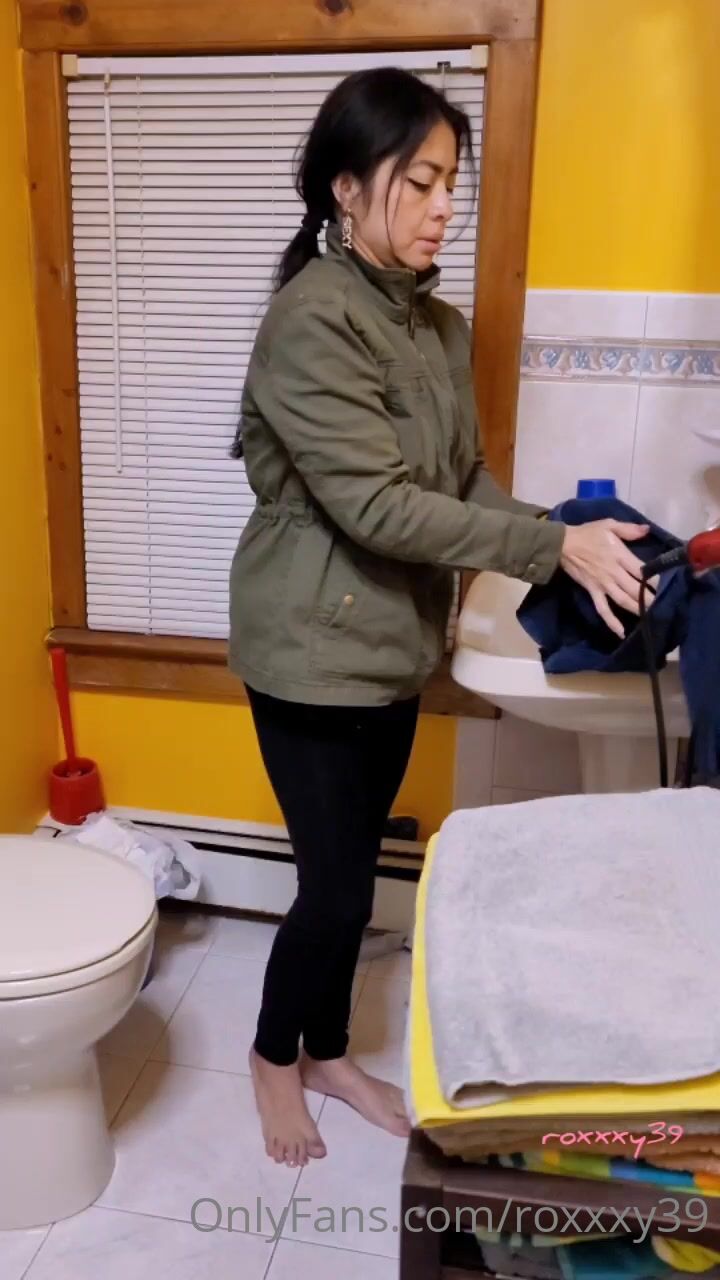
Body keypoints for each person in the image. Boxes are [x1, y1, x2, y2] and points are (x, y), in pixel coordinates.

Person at [228, 67, 649, 1169]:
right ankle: (274, 1059)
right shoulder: (311, 321)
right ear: (347, 188)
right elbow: (374, 504)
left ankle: (328, 1052)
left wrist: (565, 535)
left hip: (392, 644)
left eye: (450, 183)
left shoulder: (439, 326)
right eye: (418, 182)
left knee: (354, 877)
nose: (443, 206)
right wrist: (548, 548)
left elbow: (460, 481)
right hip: (308, 650)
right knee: (333, 892)